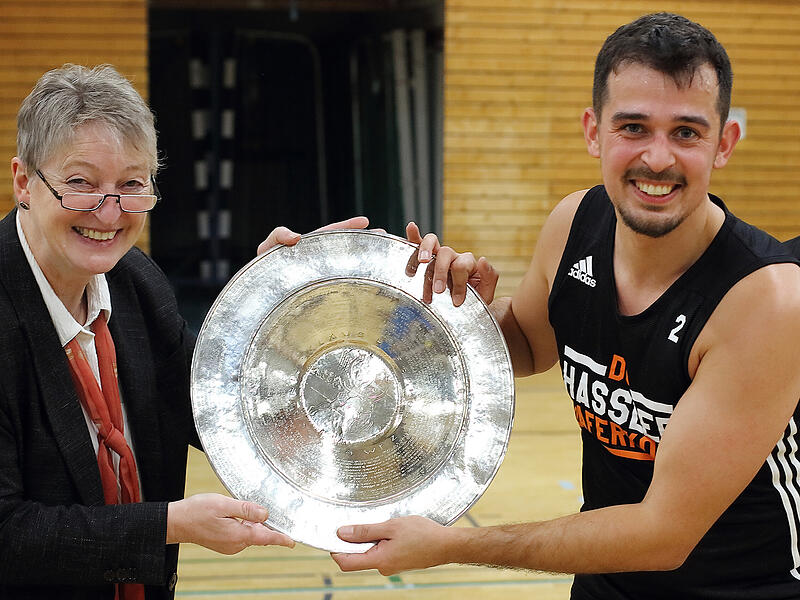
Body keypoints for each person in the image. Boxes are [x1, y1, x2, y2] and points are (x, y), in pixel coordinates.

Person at [315, 12, 800, 599]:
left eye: (686, 133)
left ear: (724, 144)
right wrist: (447, 312)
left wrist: (454, 544)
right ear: (594, 132)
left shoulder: (765, 300)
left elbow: (662, 536)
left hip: (743, 588)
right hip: (603, 577)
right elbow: (526, 343)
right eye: (633, 127)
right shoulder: (575, 223)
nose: (658, 158)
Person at [0, 63, 322, 599]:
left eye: (132, 184)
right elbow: (7, 533)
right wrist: (168, 525)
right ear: (24, 183)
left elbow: (219, 410)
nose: (110, 214)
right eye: (80, 184)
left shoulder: (137, 282)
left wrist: (275, 304)